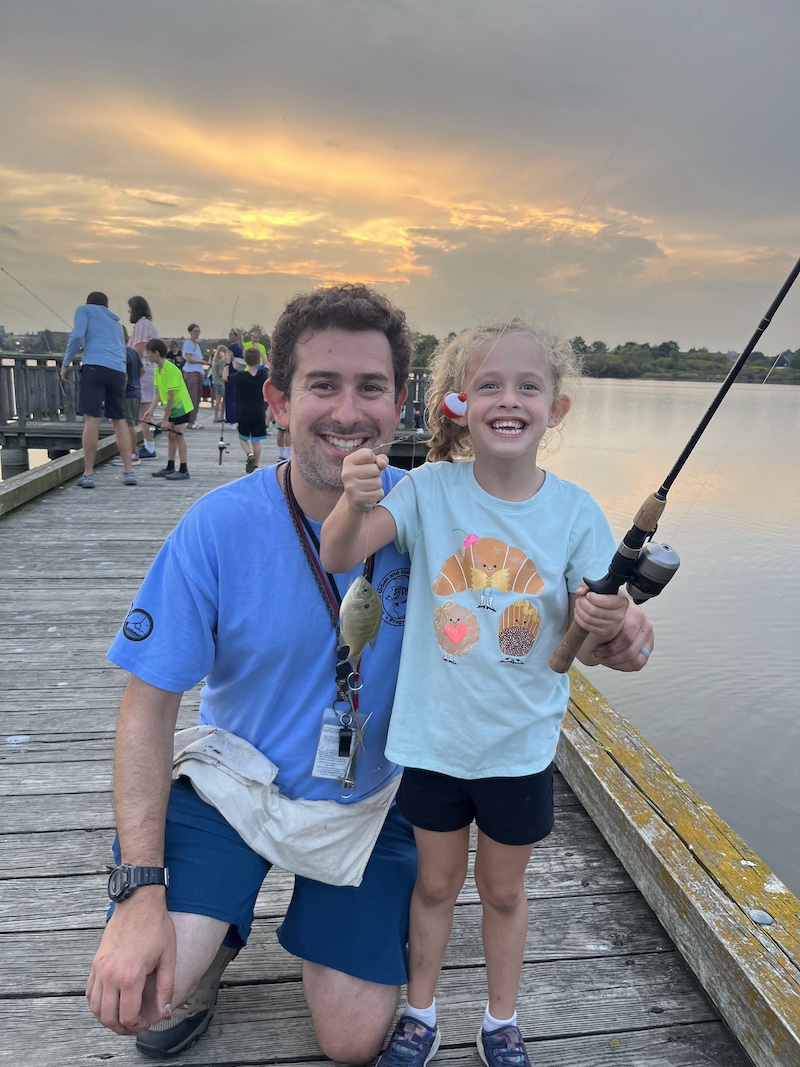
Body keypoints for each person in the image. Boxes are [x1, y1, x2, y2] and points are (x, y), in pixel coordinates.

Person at [85, 286, 653, 1065]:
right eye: (323, 385)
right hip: (238, 783)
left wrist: (621, 630)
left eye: (371, 388)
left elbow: (559, 589)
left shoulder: (436, 509)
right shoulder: (214, 527)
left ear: (402, 405)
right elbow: (145, 712)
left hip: (374, 796)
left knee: (353, 1041)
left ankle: (328, 933)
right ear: (278, 401)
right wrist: (138, 889)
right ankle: (212, 933)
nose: (347, 411)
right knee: (144, 990)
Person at [320, 318, 644, 1067]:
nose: (510, 400)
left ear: (555, 408)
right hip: (433, 742)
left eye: (529, 386)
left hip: (518, 749)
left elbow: (603, 627)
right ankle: (421, 1012)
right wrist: (352, 497)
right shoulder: (427, 490)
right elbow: (342, 552)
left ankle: (502, 1020)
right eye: (490, 385)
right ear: (460, 403)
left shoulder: (574, 512)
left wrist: (608, 616)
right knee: (433, 887)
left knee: (503, 892)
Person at [60, 291, 136, 487]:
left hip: (94, 367)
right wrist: (124, 372)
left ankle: (88, 474)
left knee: (92, 419)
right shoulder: (117, 324)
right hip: (118, 371)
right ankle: (129, 471)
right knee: (119, 420)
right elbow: (121, 348)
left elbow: (77, 335)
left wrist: (66, 363)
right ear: (106, 306)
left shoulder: (84, 310)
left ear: (89, 302)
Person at [145, 338, 194, 480]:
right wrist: (150, 411)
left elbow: (171, 396)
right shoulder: (157, 370)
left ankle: (184, 469)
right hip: (172, 408)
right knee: (171, 436)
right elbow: (159, 395)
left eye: (148, 353)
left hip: (181, 406)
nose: (147, 356)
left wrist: (165, 420)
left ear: (156, 353)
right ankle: (170, 467)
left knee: (178, 435)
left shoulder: (171, 369)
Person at [223, 346, 269, 473]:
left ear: (245, 360)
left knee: (243, 438)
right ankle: (256, 466)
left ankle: (249, 454)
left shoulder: (241, 376)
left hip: (243, 413)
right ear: (258, 360)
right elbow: (268, 365)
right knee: (257, 441)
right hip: (259, 413)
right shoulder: (263, 375)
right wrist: (261, 353)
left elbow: (225, 377)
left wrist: (227, 363)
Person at [128, 297, 159, 462]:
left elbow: (137, 351)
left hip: (143, 372)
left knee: (144, 412)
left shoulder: (141, 325)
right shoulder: (149, 325)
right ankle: (149, 444)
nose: (128, 312)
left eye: (129, 309)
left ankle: (149, 446)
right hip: (150, 371)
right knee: (146, 412)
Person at [111, 341, 143, 470]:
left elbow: (123, 377)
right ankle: (131, 453)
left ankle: (132, 455)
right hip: (137, 392)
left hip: (127, 394)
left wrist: (118, 394)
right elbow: (143, 370)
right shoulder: (133, 352)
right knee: (132, 425)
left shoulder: (120, 354)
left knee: (128, 425)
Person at [181, 324, 206, 427]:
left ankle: (193, 419)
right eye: (195, 331)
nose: (197, 333)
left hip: (198, 372)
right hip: (191, 372)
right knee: (192, 397)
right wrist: (200, 362)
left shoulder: (197, 345)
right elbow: (188, 359)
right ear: (190, 332)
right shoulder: (188, 343)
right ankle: (189, 421)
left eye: (198, 331)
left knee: (198, 397)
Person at [224, 328, 244, 424]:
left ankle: (232, 419)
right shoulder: (241, 347)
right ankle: (238, 417)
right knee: (238, 397)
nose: (230, 336)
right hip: (240, 373)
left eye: (232, 334)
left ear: (236, 336)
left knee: (230, 397)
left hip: (231, 372)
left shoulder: (232, 348)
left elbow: (228, 358)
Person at [210, 345, 228, 423]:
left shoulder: (215, 361)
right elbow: (221, 373)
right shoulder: (221, 362)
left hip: (215, 381)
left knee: (218, 400)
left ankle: (217, 416)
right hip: (220, 382)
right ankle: (219, 416)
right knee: (221, 400)